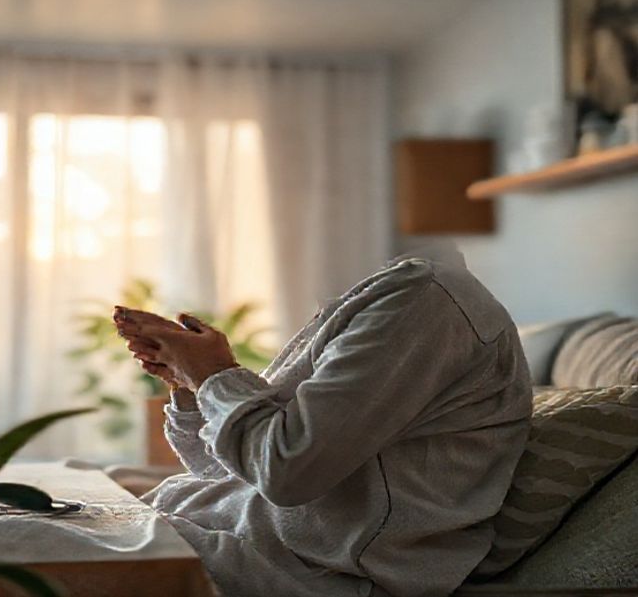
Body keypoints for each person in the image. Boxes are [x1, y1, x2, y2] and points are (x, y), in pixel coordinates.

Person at [113, 245, 532, 597]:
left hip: (308, 574)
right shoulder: (378, 299)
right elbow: (231, 470)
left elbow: (287, 472)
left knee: (54, 547)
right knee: (75, 502)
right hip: (238, 536)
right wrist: (188, 382)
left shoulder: (423, 302)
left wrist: (214, 376)